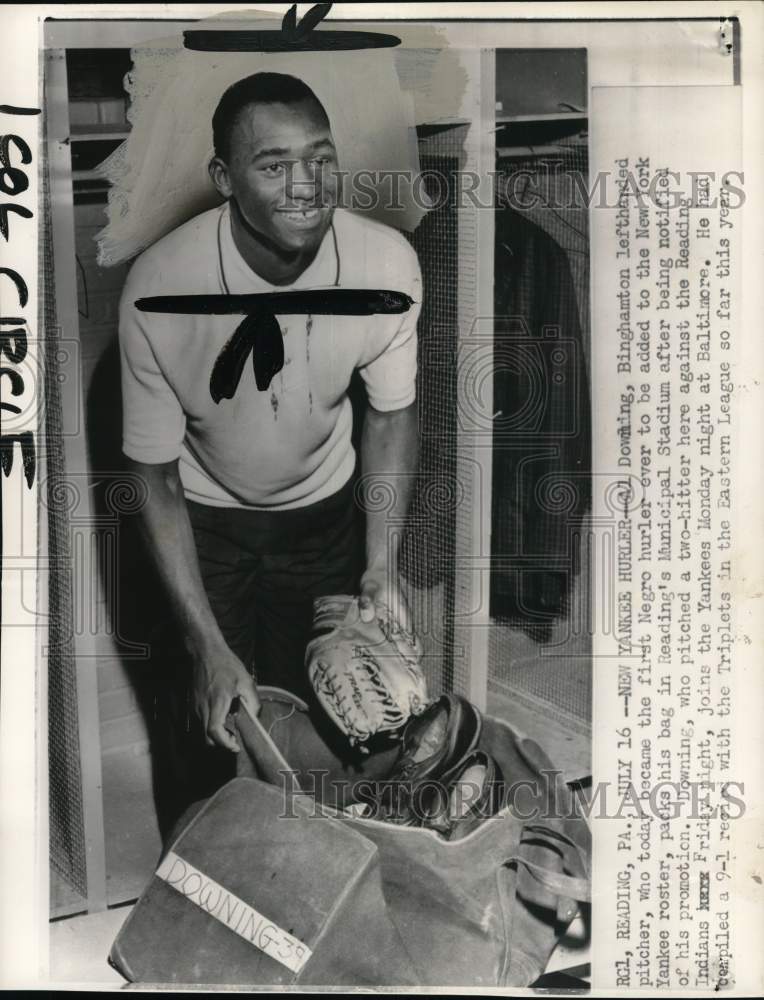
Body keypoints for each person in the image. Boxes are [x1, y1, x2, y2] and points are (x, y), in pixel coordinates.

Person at [118, 72, 421, 816]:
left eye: (321, 157)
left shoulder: (386, 265)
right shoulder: (159, 287)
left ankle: (309, 909)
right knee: (210, 729)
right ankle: (203, 906)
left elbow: (390, 418)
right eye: (274, 164)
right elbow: (153, 476)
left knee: (322, 738)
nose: (306, 185)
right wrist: (204, 645)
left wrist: (380, 562)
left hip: (323, 522)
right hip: (205, 527)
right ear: (224, 177)